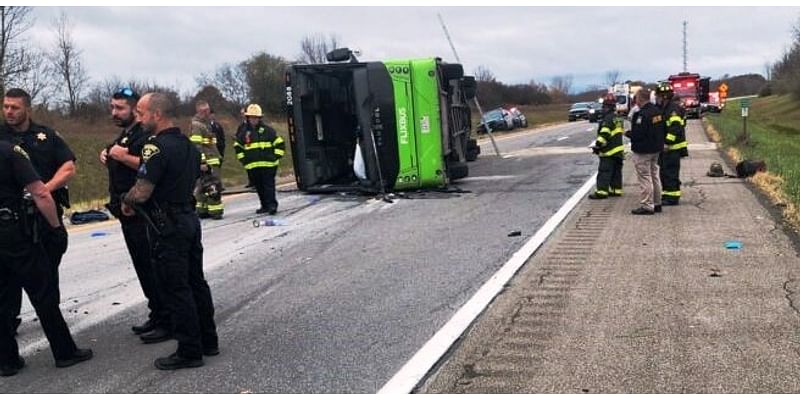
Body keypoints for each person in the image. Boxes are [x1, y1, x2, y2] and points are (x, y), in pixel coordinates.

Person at [122, 92, 219, 370]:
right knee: (196, 282)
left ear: (157, 114)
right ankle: (208, 340)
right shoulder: (188, 145)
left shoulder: (154, 148)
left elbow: (142, 191)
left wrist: (126, 201)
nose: (138, 118)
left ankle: (189, 350)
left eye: (141, 113)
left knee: (176, 288)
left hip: (167, 226)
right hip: (188, 219)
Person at [0, 141, 92, 377]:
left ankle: (7, 360)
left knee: (2, 297)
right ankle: (64, 352)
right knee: (43, 292)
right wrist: (55, 227)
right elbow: (40, 192)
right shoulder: (10, 152)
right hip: (13, 233)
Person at [1, 88, 76, 334]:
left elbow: (68, 167)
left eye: (15, 107)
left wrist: (44, 188)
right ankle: (9, 323)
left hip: (43, 213)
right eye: (6, 106)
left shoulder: (46, 135)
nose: (9, 112)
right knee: (7, 278)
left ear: (28, 109)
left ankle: (51, 321)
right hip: (11, 220)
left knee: (47, 272)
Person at [99, 87, 170, 343]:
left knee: (153, 266)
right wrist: (109, 155)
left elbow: (151, 165)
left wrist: (122, 156)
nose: (114, 112)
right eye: (112, 107)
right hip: (126, 212)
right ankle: (157, 312)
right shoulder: (126, 135)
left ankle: (166, 318)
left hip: (143, 213)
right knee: (142, 266)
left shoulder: (146, 135)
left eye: (120, 108)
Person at [234, 104, 286, 215]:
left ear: (259, 118)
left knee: (268, 186)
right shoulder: (244, 133)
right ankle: (264, 206)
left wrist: (275, 156)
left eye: (255, 117)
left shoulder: (268, 131)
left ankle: (272, 206)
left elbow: (280, 144)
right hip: (252, 166)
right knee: (259, 187)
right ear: (248, 118)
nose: (253, 120)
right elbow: (238, 146)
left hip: (268, 165)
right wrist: (244, 160)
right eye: (251, 117)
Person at [627, 89, 665, 215]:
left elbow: (638, 134)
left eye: (636, 98)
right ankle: (657, 203)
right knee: (654, 175)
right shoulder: (657, 112)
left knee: (644, 177)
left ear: (640, 99)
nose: (635, 101)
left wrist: (627, 133)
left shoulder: (642, 115)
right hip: (656, 149)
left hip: (643, 150)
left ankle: (647, 205)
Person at [189, 100, 224, 219]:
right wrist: (202, 162)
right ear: (202, 111)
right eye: (207, 110)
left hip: (212, 160)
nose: (209, 112)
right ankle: (215, 211)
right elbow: (197, 145)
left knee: (203, 187)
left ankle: (203, 210)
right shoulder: (197, 126)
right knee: (212, 187)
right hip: (208, 162)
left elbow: (210, 144)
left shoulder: (206, 124)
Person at [656, 82, 688, 206]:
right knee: (664, 172)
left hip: (672, 147)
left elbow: (675, 128)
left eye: (659, 96)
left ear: (664, 96)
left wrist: (667, 142)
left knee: (670, 172)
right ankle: (667, 194)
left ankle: (672, 197)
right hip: (667, 148)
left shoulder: (673, 109)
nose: (657, 99)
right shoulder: (666, 108)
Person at [588, 93, 625, 199]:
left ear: (607, 107)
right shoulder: (618, 118)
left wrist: (597, 145)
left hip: (609, 151)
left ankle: (601, 192)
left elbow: (604, 133)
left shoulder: (608, 119)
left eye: (604, 107)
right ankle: (616, 190)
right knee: (616, 173)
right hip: (618, 151)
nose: (602, 109)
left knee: (604, 172)